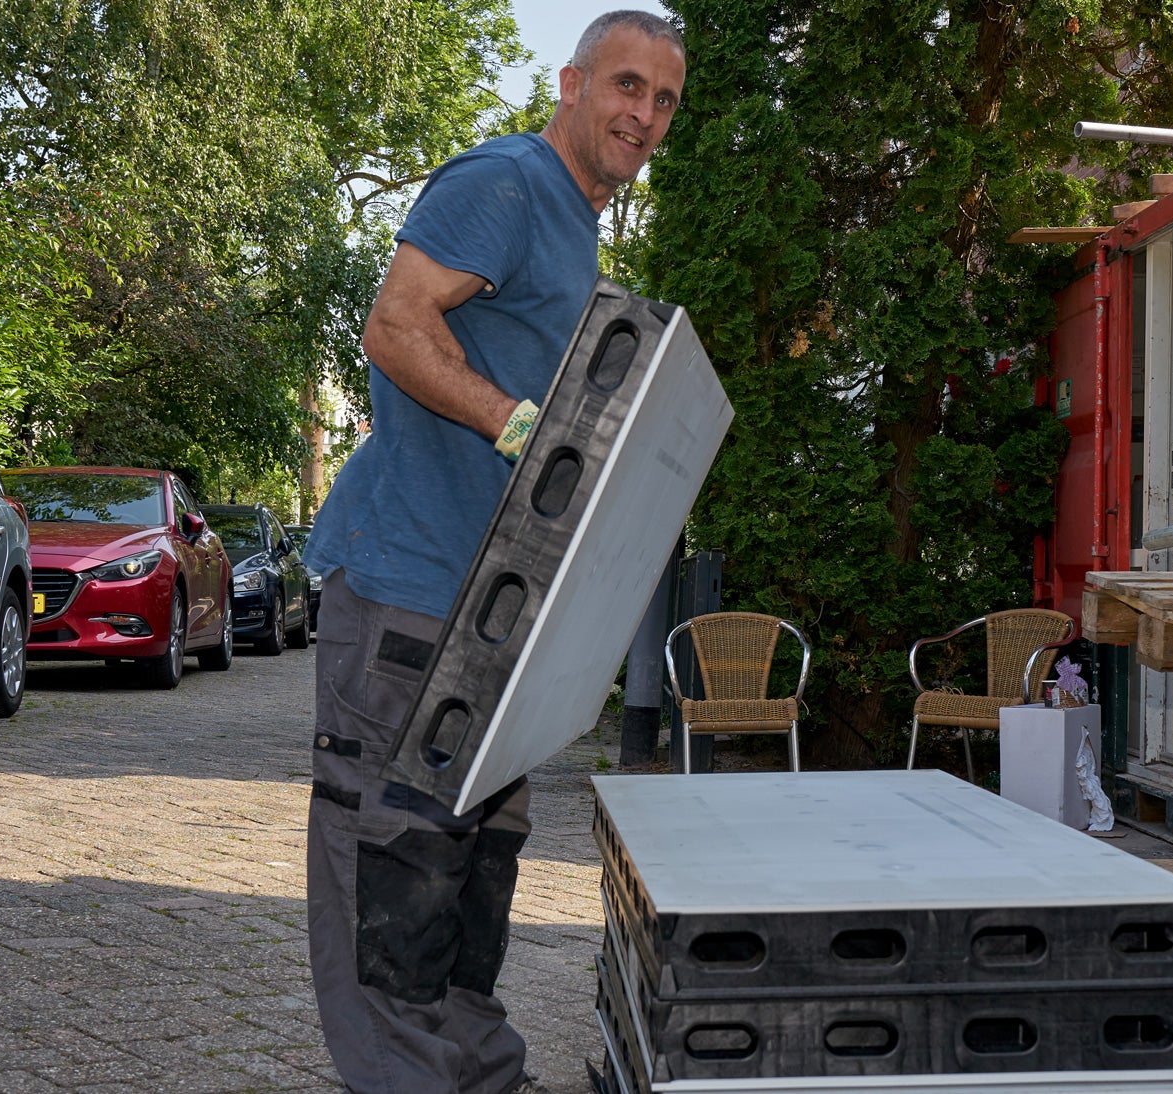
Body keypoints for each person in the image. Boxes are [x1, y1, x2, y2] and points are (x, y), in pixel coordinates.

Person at [301, 12, 686, 1093]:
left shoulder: (572, 223)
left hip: (492, 613)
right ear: (570, 83)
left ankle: (479, 1074)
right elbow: (395, 326)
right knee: (396, 885)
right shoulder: (508, 182)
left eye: (662, 101)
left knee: (468, 885)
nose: (642, 115)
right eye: (624, 85)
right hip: (411, 595)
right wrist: (523, 431)